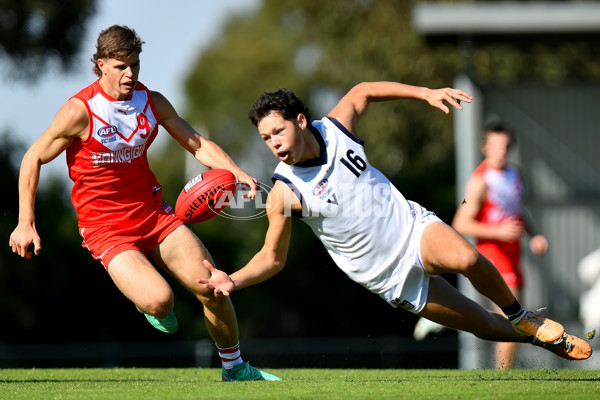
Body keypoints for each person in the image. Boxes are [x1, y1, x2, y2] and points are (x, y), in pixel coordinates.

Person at [199, 81, 592, 364]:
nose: (274, 144)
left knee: (468, 260)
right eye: (266, 139)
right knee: (484, 326)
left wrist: (426, 93)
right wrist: (233, 279)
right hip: (389, 278)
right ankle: (542, 338)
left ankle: (522, 316)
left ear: (301, 121)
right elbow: (272, 258)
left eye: (278, 131)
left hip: (412, 228)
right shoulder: (284, 192)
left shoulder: (336, 129)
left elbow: (363, 91)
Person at [8, 25, 280, 382]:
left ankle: (236, 369)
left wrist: (233, 170)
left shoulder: (151, 102)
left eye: (135, 64)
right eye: (121, 66)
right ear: (101, 64)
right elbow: (32, 158)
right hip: (106, 229)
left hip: (155, 216)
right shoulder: (80, 111)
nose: (130, 73)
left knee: (211, 284)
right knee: (160, 301)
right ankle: (150, 304)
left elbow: (196, 143)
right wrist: (25, 221)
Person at [448, 121, 548, 369]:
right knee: (515, 316)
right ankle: (503, 375)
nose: (501, 151)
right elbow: (460, 222)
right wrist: (498, 232)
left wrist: (533, 234)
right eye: (495, 145)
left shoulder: (515, 174)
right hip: (493, 253)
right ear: (485, 147)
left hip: (514, 253)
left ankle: (504, 371)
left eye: (505, 146)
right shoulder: (480, 181)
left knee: (515, 315)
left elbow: (516, 211)